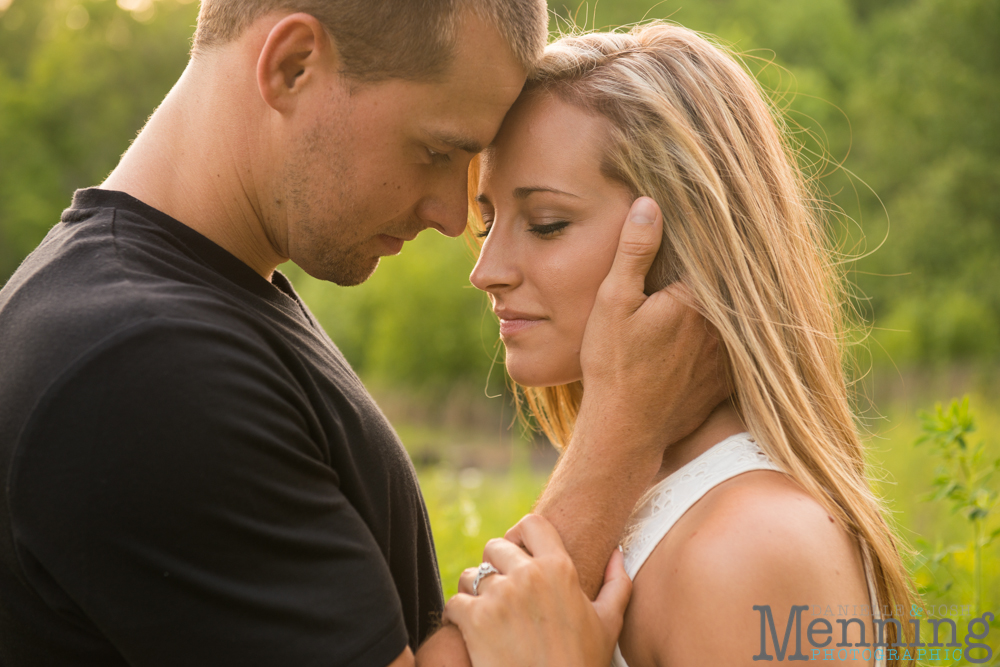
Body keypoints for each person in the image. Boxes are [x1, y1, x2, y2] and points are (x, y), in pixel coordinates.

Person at [0, 3, 728, 667]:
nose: (451, 216)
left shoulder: (188, 310)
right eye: (437, 151)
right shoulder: (138, 366)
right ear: (292, 66)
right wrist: (624, 428)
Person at [452, 23, 916, 667]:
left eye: (546, 224)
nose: (487, 270)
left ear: (679, 238)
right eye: (488, 220)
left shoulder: (748, 548)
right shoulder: (660, 501)